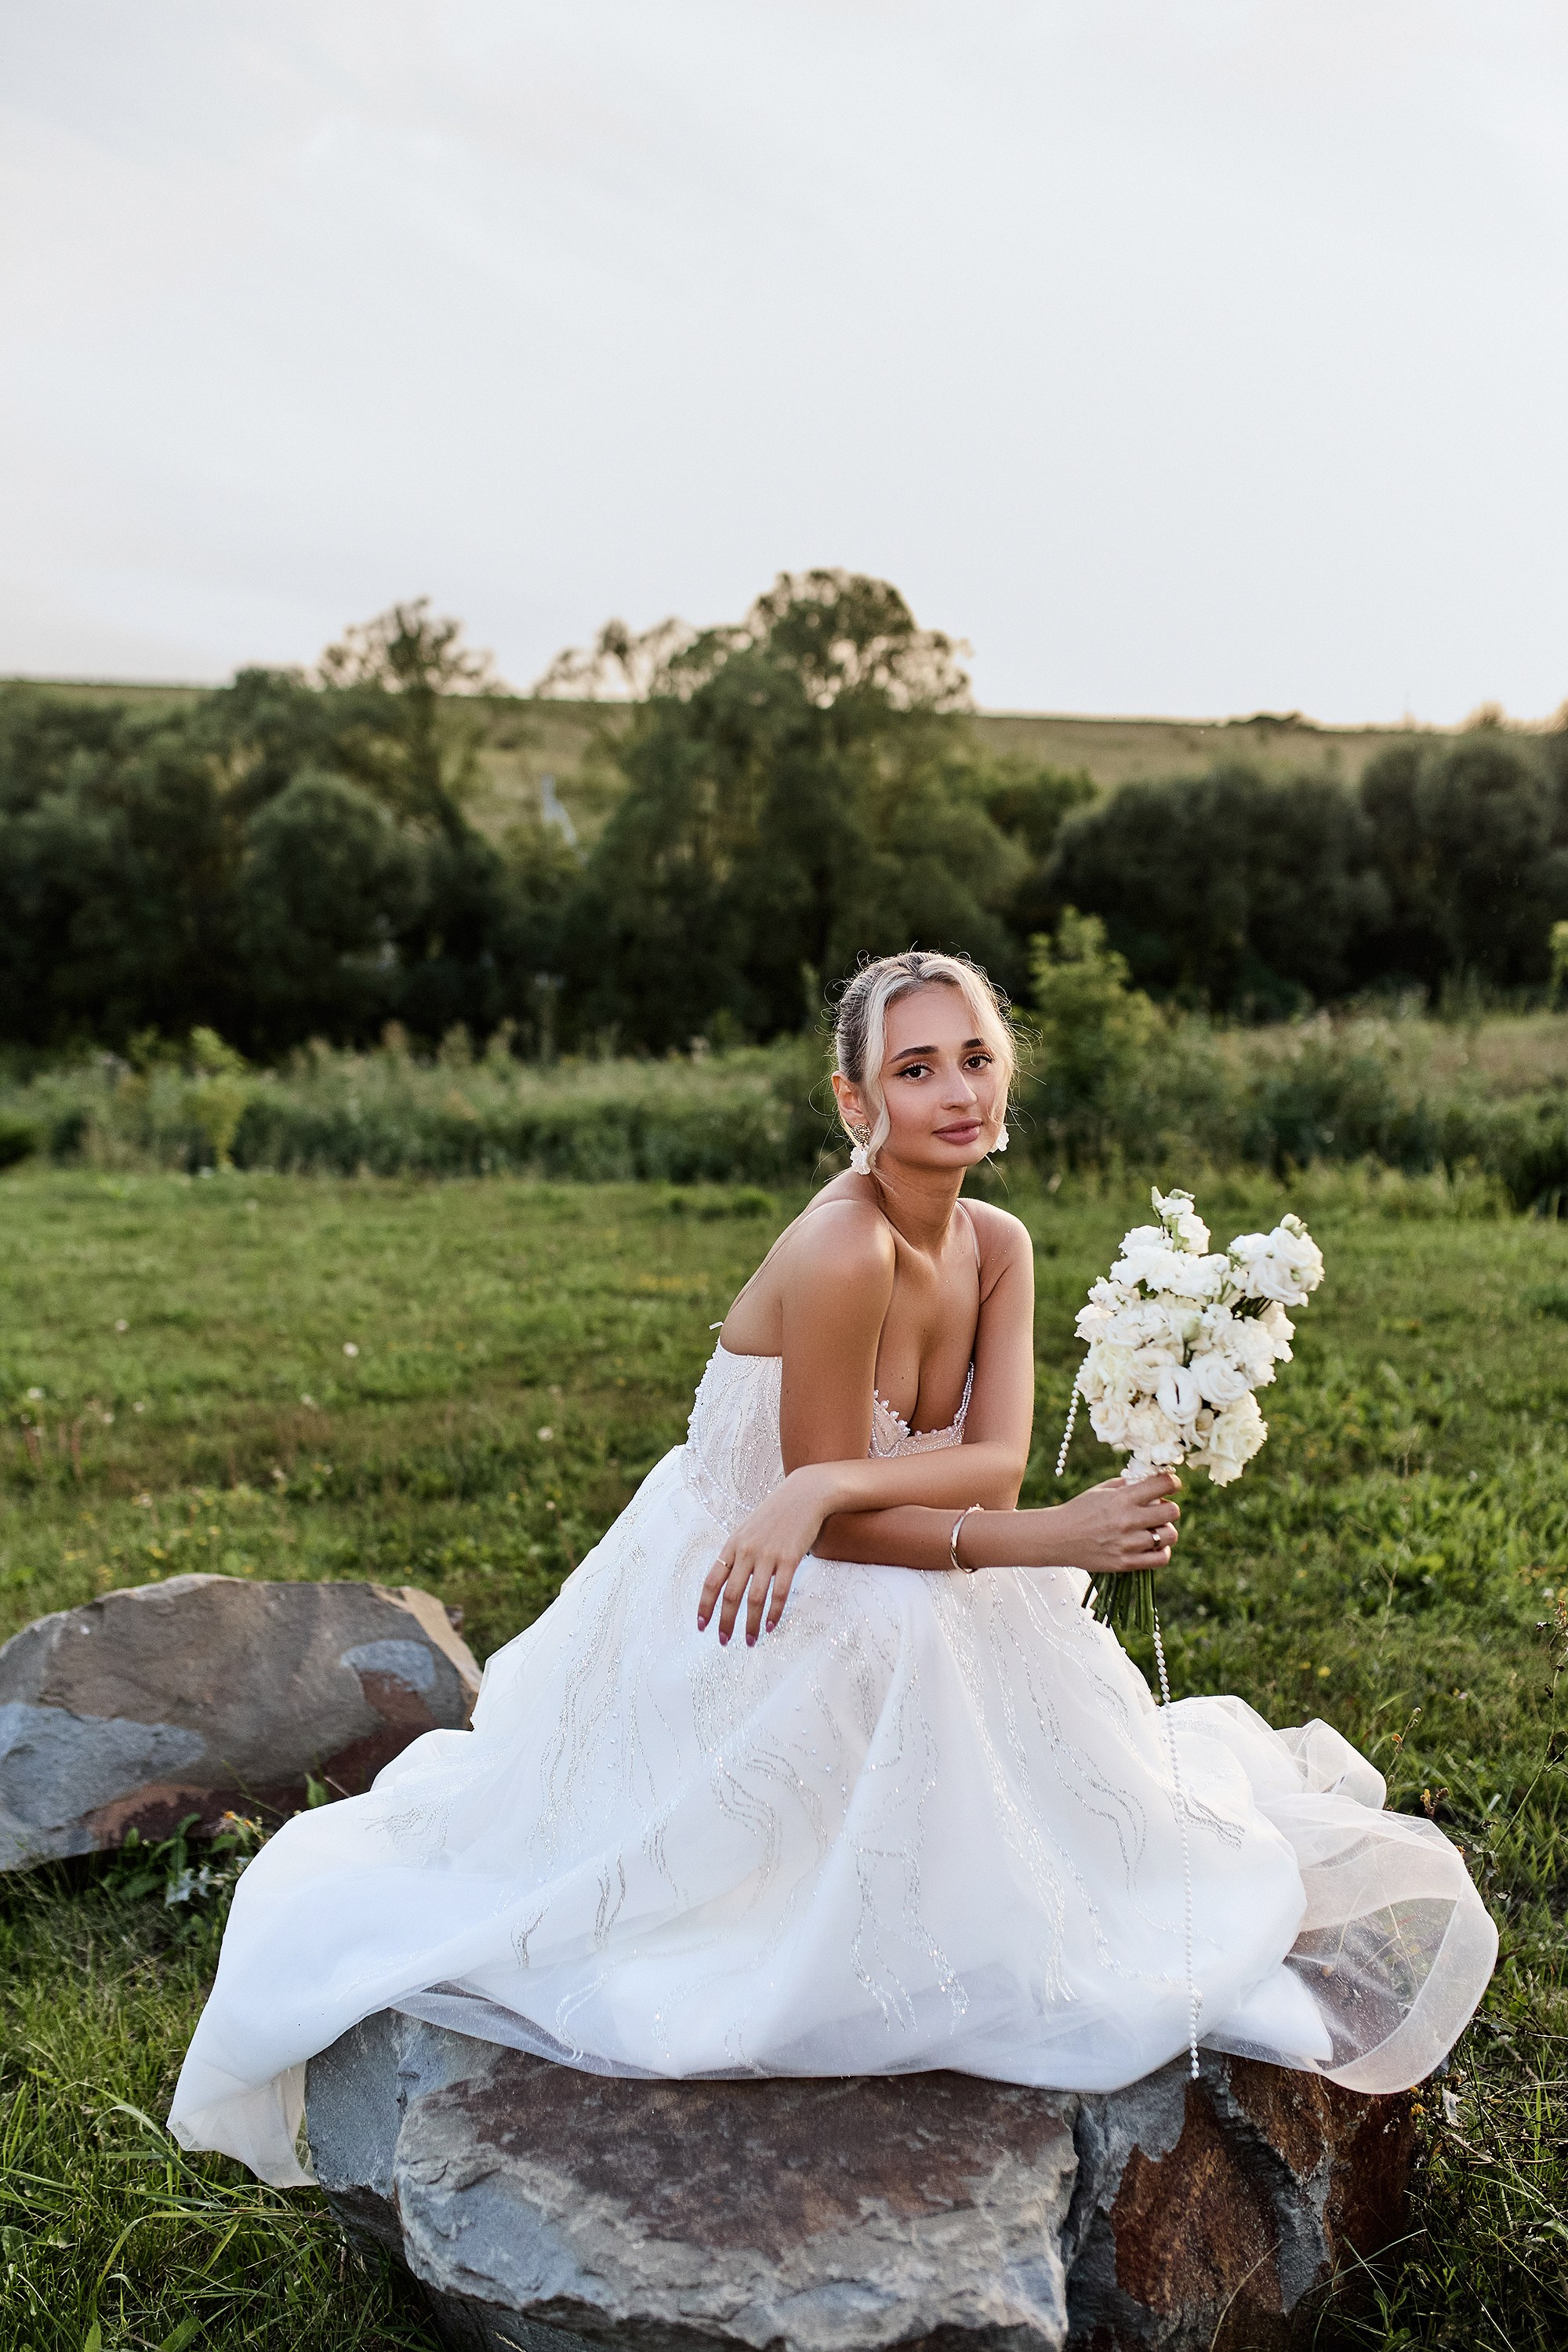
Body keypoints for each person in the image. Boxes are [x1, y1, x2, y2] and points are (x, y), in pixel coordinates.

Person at [168, 951, 1496, 2188]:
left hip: (852, 1543)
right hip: (732, 1588)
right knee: (909, 1632)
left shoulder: (1000, 1245)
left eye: (974, 1058)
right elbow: (847, 1535)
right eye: (915, 1069)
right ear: (855, 1097)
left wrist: (840, 1478)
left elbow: (989, 1458)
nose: (955, 1091)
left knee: (995, 1675)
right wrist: (1024, 1534)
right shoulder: (844, 1242)